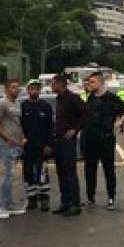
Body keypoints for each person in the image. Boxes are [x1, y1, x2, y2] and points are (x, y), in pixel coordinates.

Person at [81, 72, 124, 210]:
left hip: (106, 138)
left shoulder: (111, 98)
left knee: (108, 169)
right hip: (90, 139)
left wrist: (119, 122)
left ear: (100, 82)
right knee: (89, 169)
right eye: (89, 82)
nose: (89, 84)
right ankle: (90, 197)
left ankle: (111, 198)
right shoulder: (90, 98)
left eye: (92, 82)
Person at [0, 79, 27, 219]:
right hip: (6, 145)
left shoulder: (17, 103)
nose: (16, 89)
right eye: (13, 87)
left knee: (12, 176)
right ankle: (1, 206)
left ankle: (9, 204)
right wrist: (7, 139)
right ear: (6, 89)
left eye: (17, 87)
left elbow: (18, 123)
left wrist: (22, 138)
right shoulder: (2, 103)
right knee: (7, 175)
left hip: (17, 144)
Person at [51, 74, 85, 216]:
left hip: (68, 141)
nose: (52, 86)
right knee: (61, 173)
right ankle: (65, 202)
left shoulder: (73, 98)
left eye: (54, 83)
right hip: (57, 140)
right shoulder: (58, 99)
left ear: (61, 84)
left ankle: (75, 204)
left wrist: (75, 129)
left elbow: (85, 115)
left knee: (70, 173)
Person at [20, 81, 54, 213]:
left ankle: (44, 198)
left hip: (42, 146)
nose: (34, 91)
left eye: (37, 88)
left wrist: (49, 144)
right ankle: (32, 198)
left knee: (42, 172)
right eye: (32, 88)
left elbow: (51, 127)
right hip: (28, 147)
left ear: (40, 90)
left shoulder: (45, 106)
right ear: (28, 90)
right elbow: (19, 126)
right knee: (28, 172)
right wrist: (21, 141)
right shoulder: (23, 106)